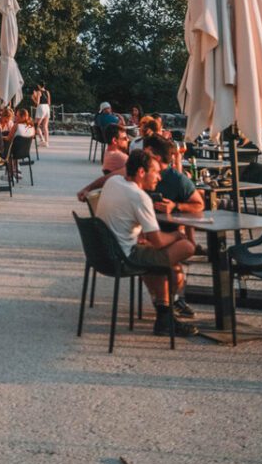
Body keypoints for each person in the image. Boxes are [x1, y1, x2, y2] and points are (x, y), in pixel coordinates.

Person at [95, 149, 197, 336]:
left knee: (159, 260)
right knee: (186, 247)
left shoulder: (113, 182)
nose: (159, 178)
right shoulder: (140, 197)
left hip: (104, 253)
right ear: (142, 172)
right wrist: (177, 235)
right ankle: (166, 314)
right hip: (125, 256)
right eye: (156, 172)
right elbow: (158, 241)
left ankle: (164, 316)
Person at [77, 125, 131, 203]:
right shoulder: (119, 157)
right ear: (114, 140)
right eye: (125, 138)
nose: (128, 140)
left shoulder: (107, 153)